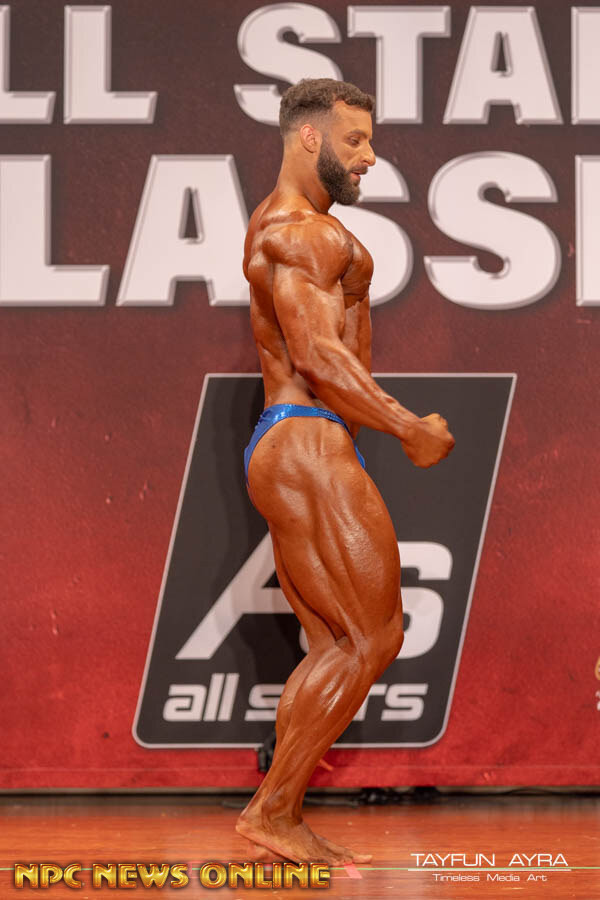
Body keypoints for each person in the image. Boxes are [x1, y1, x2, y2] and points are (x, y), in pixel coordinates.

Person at [237, 78, 455, 865]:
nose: (368, 156)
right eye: (354, 140)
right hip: (307, 438)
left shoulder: (304, 229)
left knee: (336, 641)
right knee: (374, 635)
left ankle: (279, 812)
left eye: (370, 140)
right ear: (310, 138)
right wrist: (406, 427)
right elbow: (316, 355)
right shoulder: (300, 233)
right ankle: (274, 810)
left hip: (302, 442)